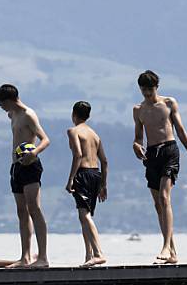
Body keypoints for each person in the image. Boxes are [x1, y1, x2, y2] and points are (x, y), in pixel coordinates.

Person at [131, 70, 187, 264]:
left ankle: (166, 246)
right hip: (152, 154)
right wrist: (136, 145)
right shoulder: (138, 110)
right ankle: (173, 253)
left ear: (157, 88)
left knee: (164, 196)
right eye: (144, 91)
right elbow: (138, 137)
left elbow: (180, 130)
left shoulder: (169, 103)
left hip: (169, 150)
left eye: (150, 90)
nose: (147, 94)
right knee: (157, 204)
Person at [0, 83, 51, 268]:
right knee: (21, 212)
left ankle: (43, 257)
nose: (0, 107)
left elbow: (45, 139)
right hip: (16, 167)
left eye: (2, 103)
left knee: (34, 208)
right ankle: (25, 257)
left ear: (10, 100)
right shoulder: (12, 114)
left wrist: (34, 153)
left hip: (30, 166)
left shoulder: (28, 114)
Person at [65, 101, 108, 267]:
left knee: (84, 215)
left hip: (82, 174)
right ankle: (88, 255)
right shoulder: (95, 135)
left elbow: (77, 155)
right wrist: (103, 185)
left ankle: (98, 253)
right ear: (88, 116)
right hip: (95, 174)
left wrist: (70, 179)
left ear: (73, 114)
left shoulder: (73, 131)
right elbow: (104, 161)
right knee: (86, 216)